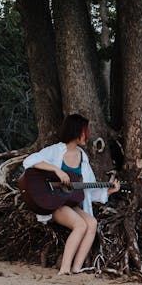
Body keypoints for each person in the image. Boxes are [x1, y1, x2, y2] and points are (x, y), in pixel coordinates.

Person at [22, 113, 119, 275]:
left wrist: (108, 190)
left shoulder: (83, 157)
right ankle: (64, 269)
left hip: (69, 203)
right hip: (53, 202)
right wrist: (56, 170)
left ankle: (77, 268)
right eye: (84, 131)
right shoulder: (56, 151)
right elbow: (29, 161)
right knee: (80, 225)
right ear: (76, 131)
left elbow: (88, 187)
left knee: (92, 223)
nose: (87, 136)